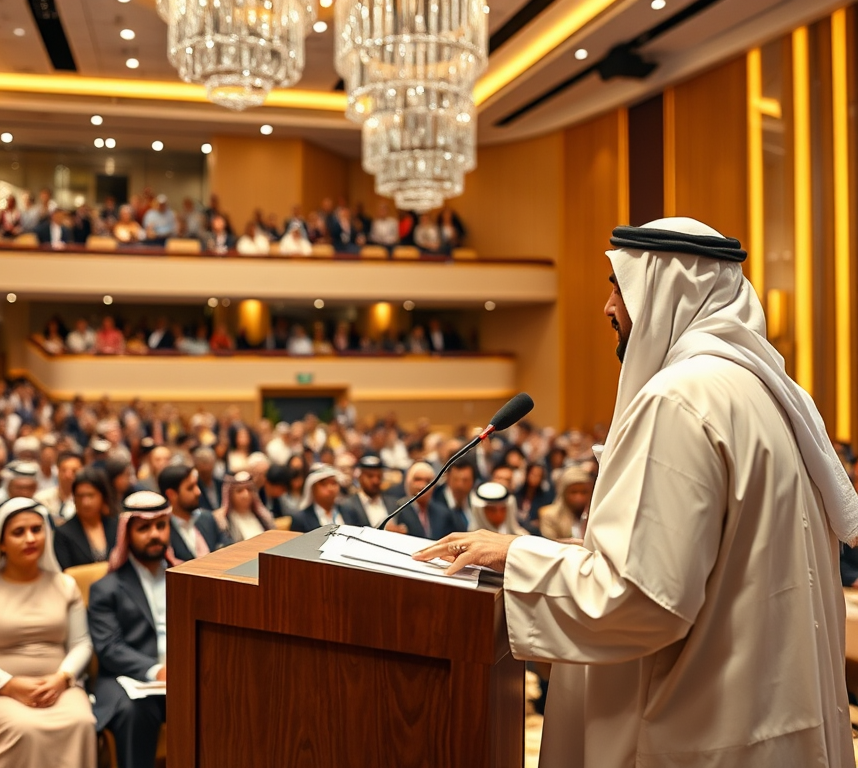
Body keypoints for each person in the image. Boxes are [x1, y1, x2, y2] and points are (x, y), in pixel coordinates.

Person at [413, 217, 858, 767]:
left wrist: (517, 555)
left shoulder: (680, 400)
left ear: (668, 289)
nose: (607, 308)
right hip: (767, 723)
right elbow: (704, 568)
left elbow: (641, 601)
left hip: (694, 736)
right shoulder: (764, 392)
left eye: (619, 286)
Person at [0, 498, 96, 768]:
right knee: (25, 728)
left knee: (82, 721)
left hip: (59, 688)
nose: (30, 538)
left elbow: (81, 644)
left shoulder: (65, 584)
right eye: (19, 532)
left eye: (37, 529)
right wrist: (10, 686)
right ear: (1, 543)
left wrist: (61, 679)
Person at [88, 492, 175, 768]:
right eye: (144, 528)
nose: (154, 535)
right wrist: (157, 671)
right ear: (127, 532)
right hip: (129, 679)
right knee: (136, 710)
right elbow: (109, 648)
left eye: (161, 526)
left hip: (183, 676)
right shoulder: (106, 588)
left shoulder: (187, 576)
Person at [53, 468, 118, 570]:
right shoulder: (63, 533)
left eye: (90, 495)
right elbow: (66, 573)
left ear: (102, 496)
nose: (85, 503)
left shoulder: (116, 525)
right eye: (80, 496)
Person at [158, 464, 221, 560]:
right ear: (171, 494)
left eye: (197, 485)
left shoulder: (207, 518)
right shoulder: (163, 530)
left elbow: (227, 546)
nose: (198, 492)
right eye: (190, 488)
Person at [291, 464, 365, 532]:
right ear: (312, 488)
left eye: (334, 483)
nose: (330, 488)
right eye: (324, 484)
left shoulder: (349, 511)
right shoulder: (301, 519)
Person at [213, 471, 275, 545]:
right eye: (239, 491)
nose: (246, 495)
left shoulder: (263, 517)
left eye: (249, 489)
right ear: (230, 495)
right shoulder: (223, 522)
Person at [535, 466, 593, 541]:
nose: (579, 497)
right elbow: (550, 546)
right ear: (563, 493)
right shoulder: (550, 517)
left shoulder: (595, 516)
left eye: (584, 492)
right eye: (574, 492)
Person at [338, 455, 389, 527]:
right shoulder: (348, 505)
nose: (375, 481)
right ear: (360, 477)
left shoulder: (394, 504)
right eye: (370, 476)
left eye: (379, 476)